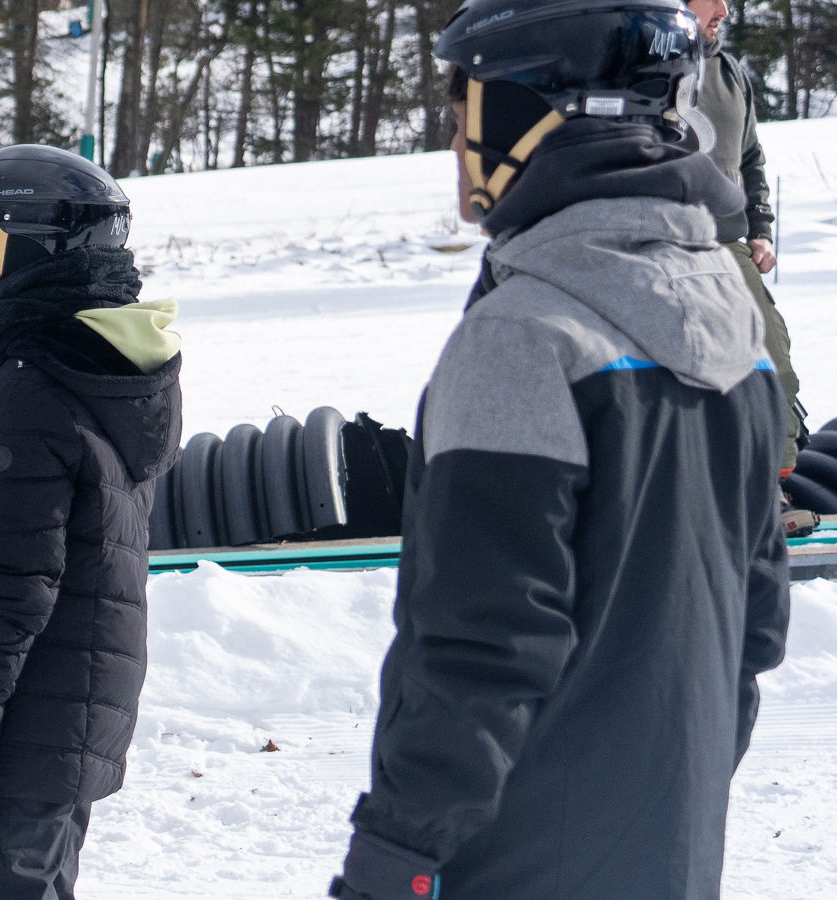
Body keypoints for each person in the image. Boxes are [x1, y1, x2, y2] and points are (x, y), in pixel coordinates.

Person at [328, 1, 788, 897]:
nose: (454, 142)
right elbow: (751, 629)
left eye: (465, 106)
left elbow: (479, 650)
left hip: (519, 863)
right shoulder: (738, 331)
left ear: (528, 112)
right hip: (668, 855)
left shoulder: (523, 340)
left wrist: (392, 864)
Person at [0, 144, 183, 900]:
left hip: (22, 730)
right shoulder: (105, 363)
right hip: (71, 721)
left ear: (21, 250)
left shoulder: (31, 387)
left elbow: (11, 588)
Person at [686, 0, 811, 527]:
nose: (725, 10)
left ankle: (771, 495)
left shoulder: (731, 71)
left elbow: (751, 158)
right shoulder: (638, 69)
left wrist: (759, 228)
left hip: (729, 245)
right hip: (659, 245)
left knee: (770, 359)